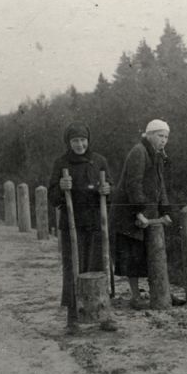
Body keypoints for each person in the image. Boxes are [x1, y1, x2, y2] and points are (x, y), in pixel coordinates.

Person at [48, 122, 118, 334]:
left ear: (89, 140)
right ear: (69, 142)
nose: (80, 145)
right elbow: (53, 198)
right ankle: (73, 316)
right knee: (74, 268)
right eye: (75, 141)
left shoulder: (99, 161)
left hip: (97, 222)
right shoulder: (61, 163)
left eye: (83, 140)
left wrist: (108, 189)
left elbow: (112, 191)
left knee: (100, 266)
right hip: (73, 224)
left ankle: (104, 313)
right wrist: (61, 188)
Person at [111, 119, 174, 309]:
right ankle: (135, 296)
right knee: (132, 256)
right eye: (160, 136)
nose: (163, 140)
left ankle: (161, 294)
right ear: (149, 135)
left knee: (152, 253)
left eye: (166, 137)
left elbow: (160, 185)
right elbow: (133, 183)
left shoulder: (158, 155)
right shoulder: (139, 152)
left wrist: (165, 210)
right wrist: (138, 212)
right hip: (128, 212)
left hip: (148, 212)